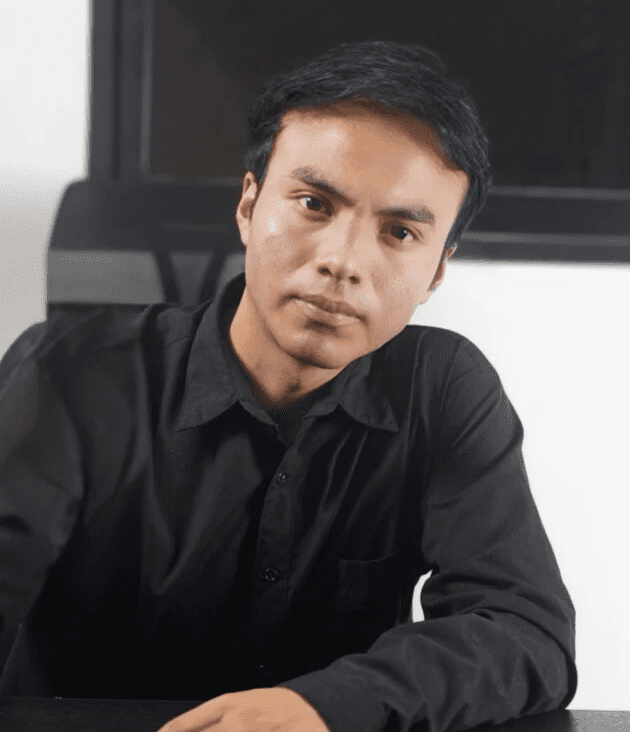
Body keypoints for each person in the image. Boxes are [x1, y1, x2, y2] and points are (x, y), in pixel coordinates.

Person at [0, 40, 576, 732]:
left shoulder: (443, 389)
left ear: (437, 271)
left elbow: (524, 630)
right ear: (249, 205)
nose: (342, 262)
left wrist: (323, 705)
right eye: (313, 203)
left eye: (399, 232)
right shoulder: (69, 372)